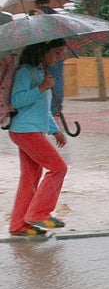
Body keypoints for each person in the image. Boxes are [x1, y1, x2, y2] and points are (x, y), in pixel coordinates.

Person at [7, 39, 69, 237]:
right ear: (43, 51)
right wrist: (41, 87)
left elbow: (41, 110)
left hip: (32, 130)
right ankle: (38, 213)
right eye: (57, 52)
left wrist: (54, 130)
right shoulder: (25, 72)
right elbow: (16, 101)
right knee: (59, 168)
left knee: (30, 177)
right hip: (25, 131)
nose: (60, 57)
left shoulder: (42, 73)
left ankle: (18, 225)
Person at [31, 1, 66, 114]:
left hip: (47, 52)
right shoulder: (56, 15)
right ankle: (56, 107)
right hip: (58, 52)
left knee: (46, 79)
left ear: (37, 3)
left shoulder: (37, 15)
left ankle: (51, 107)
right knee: (57, 79)